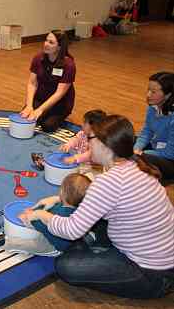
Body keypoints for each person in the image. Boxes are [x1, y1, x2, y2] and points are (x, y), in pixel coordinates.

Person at [21, 115, 174, 299]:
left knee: (66, 266)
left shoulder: (109, 182)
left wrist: (40, 215)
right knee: (90, 223)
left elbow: (71, 230)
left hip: (151, 275)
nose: (87, 143)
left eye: (90, 139)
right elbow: (99, 198)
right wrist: (57, 198)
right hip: (162, 258)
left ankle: (89, 246)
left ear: (104, 144)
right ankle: (94, 243)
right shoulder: (136, 165)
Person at [8, 173, 91, 256]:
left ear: (62, 192)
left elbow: (38, 224)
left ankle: (6, 244)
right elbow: (47, 213)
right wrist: (35, 211)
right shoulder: (80, 208)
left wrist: (27, 217)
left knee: (28, 244)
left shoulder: (62, 213)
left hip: (54, 245)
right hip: (63, 233)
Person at [20, 30, 76, 133]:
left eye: (51, 42)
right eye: (46, 40)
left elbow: (60, 93)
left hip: (60, 102)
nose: (46, 44)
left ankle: (61, 117)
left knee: (47, 126)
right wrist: (29, 105)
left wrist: (40, 110)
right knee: (26, 117)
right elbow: (32, 83)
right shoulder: (38, 58)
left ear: (60, 47)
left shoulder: (68, 65)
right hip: (41, 97)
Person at [134, 72, 174, 185]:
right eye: (148, 90)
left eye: (153, 92)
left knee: (143, 158)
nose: (148, 94)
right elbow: (146, 132)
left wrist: (141, 153)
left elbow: (170, 153)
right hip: (157, 148)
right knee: (124, 138)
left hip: (170, 159)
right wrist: (136, 148)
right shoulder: (153, 107)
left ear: (168, 95)